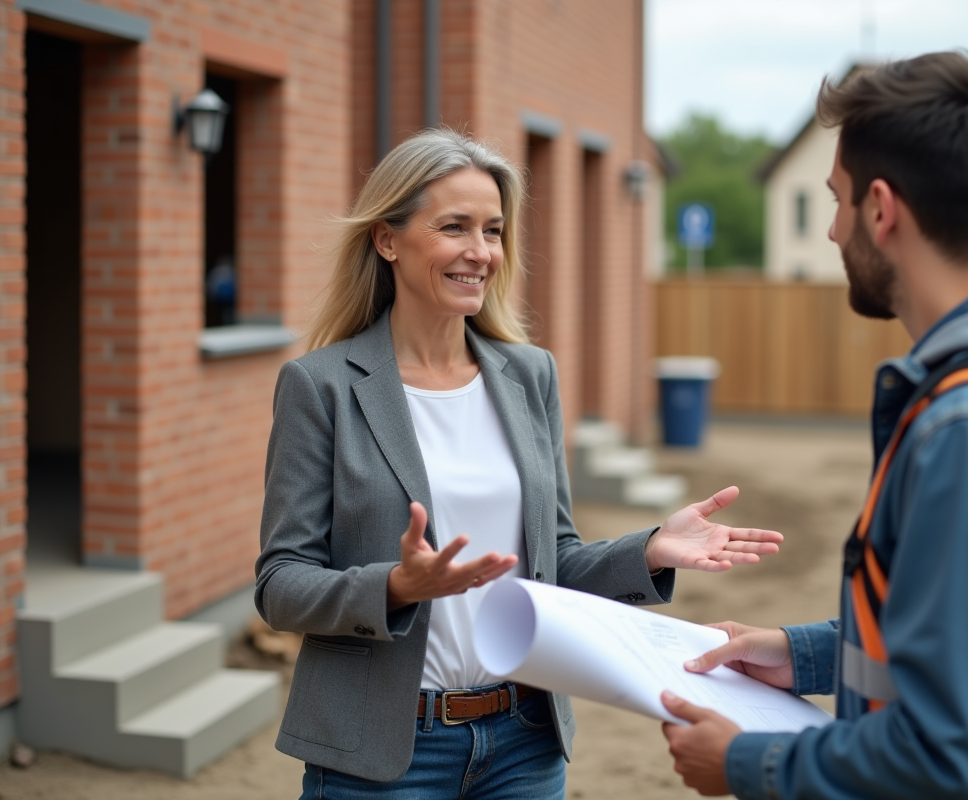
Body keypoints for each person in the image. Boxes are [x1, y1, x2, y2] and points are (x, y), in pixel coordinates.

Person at [659, 52, 968, 798]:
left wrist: (745, 763)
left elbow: (950, 757)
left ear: (882, 209)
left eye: (836, 199)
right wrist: (798, 655)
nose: (831, 231)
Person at [254, 128, 784, 799]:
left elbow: (552, 562)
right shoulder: (320, 385)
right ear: (388, 239)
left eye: (494, 230)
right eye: (455, 227)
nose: (481, 253)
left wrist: (651, 550)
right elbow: (280, 584)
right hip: (381, 756)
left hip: (523, 745)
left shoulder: (529, 375)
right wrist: (395, 587)